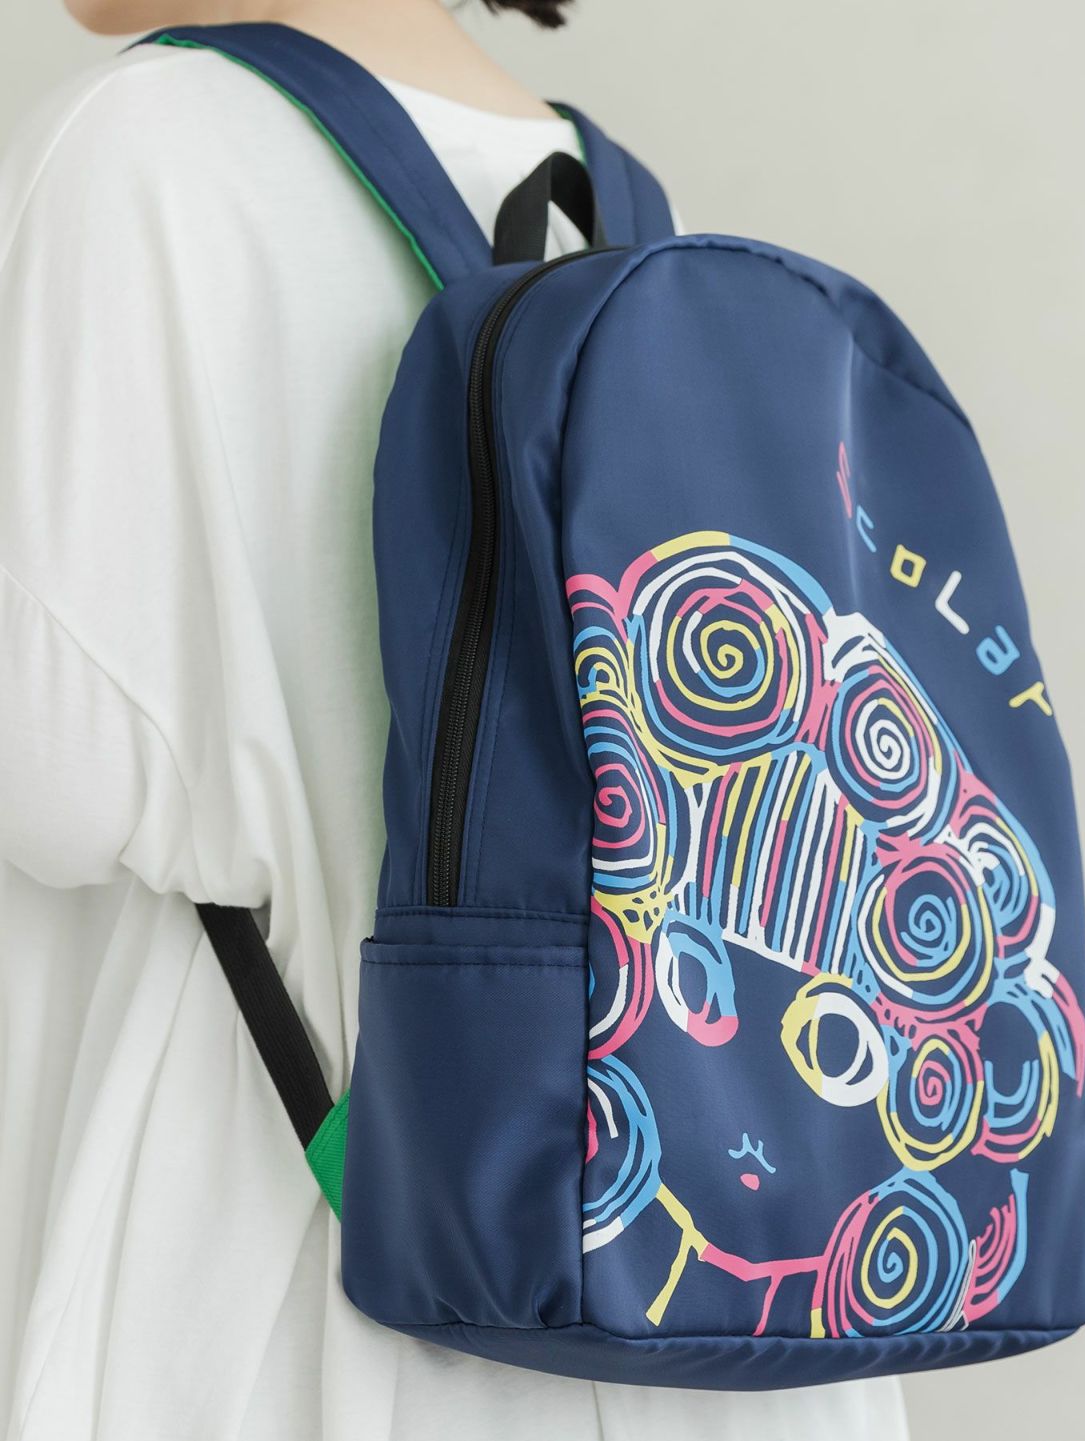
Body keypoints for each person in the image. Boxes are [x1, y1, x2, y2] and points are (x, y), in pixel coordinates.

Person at [0, 2, 909, 1437]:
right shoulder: (635, 215)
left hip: (290, 1268)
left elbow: (50, 776)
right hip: (702, 1292)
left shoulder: (133, 147)